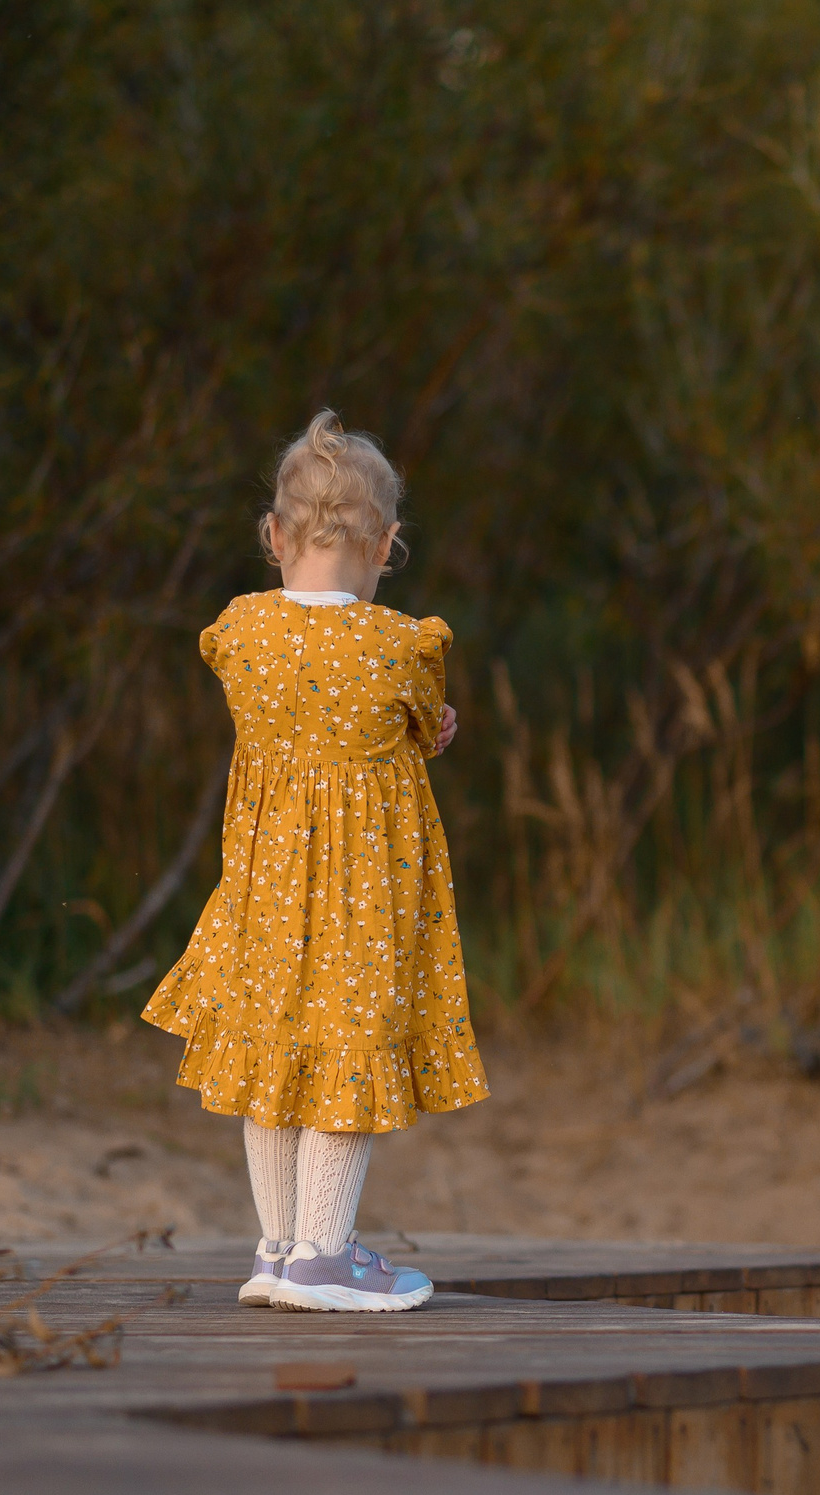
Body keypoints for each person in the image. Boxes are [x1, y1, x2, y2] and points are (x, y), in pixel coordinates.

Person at [143, 411, 487, 1313]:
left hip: (263, 889)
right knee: (347, 1049)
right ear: (386, 543)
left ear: (276, 536)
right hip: (362, 899)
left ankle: (277, 1247)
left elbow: (292, 706)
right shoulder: (402, 645)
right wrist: (437, 728)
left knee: (272, 1053)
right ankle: (325, 1253)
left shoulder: (242, 635)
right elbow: (420, 725)